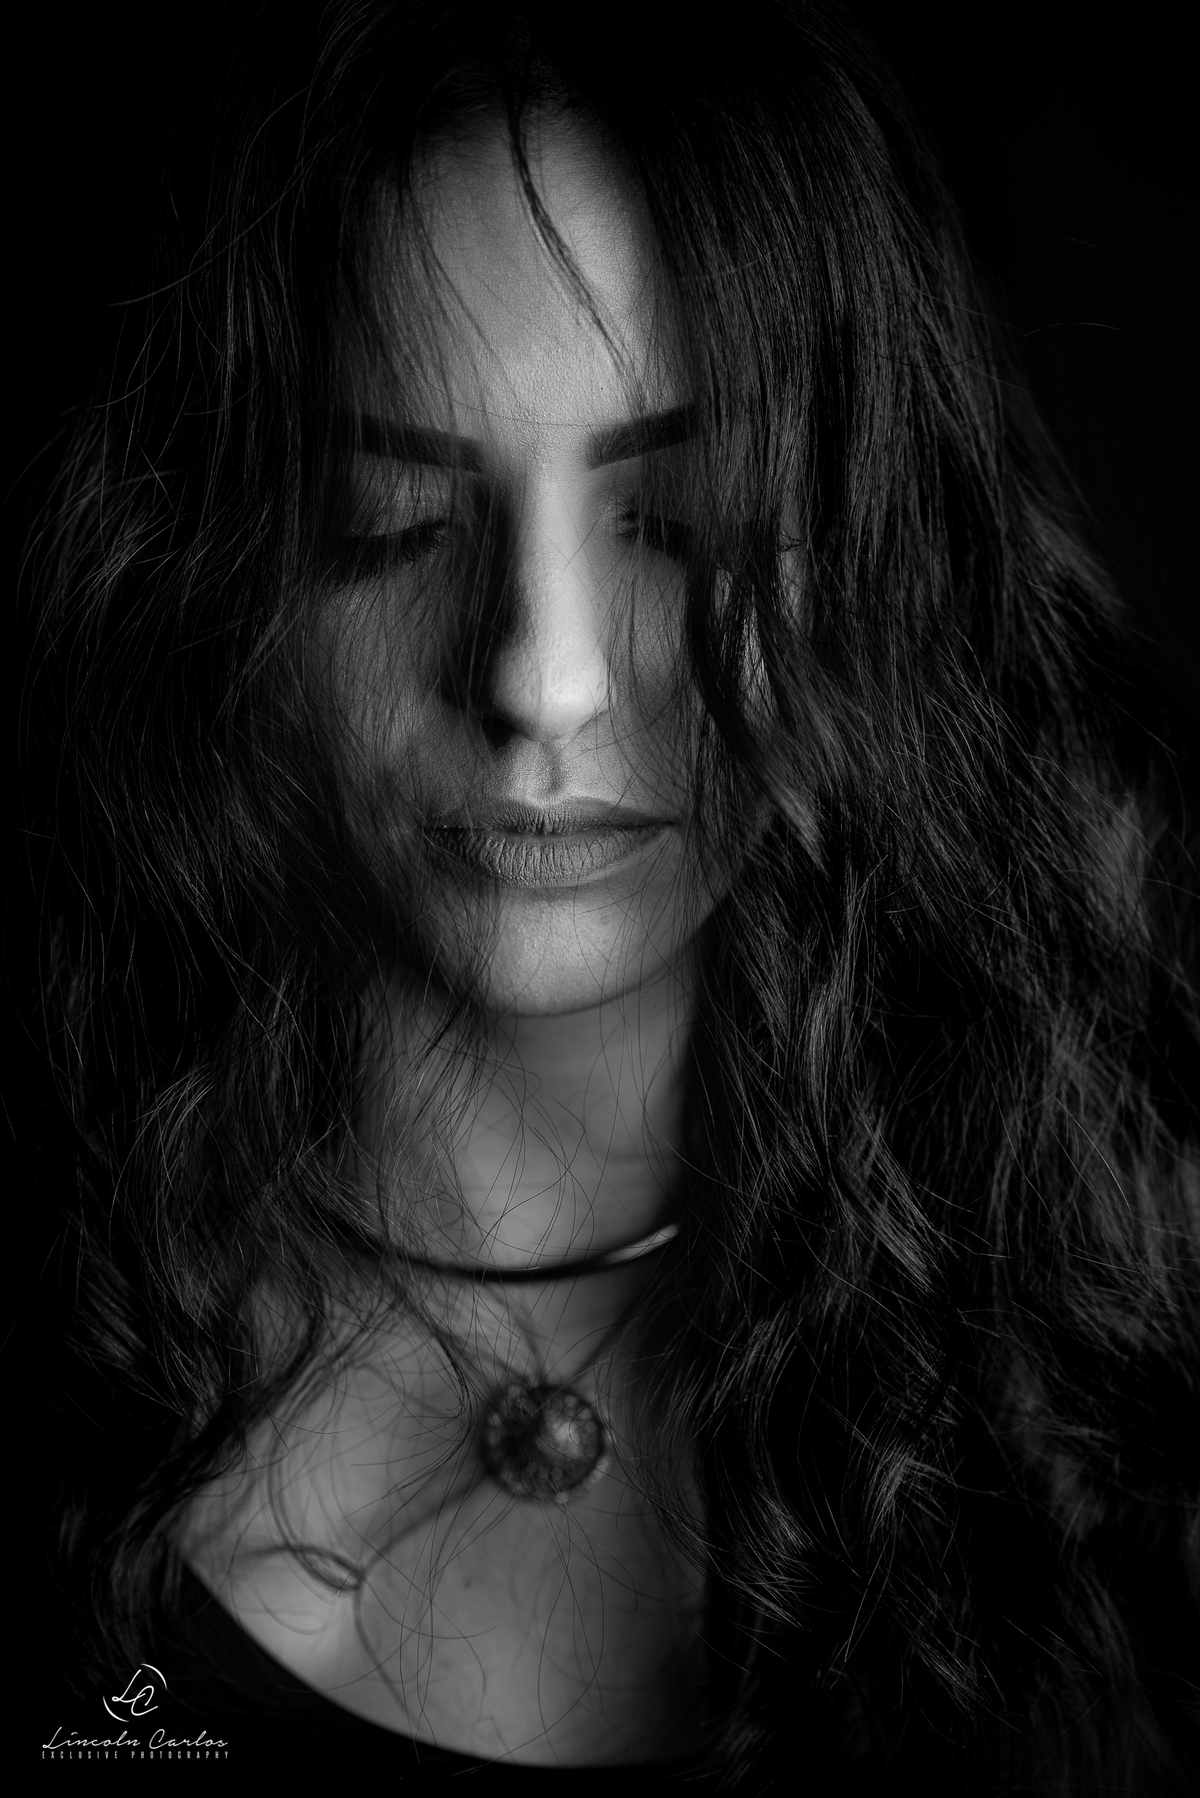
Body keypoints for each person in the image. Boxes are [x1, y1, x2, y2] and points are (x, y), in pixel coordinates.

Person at [23, 0, 1199, 1788]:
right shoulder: (56, 1306)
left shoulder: (1123, 1313)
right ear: (208, 584)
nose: (543, 678)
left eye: (687, 517)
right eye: (390, 522)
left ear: (875, 550)